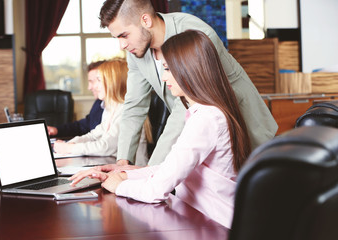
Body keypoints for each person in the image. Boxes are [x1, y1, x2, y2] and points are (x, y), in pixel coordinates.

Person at [70, 30, 251, 229]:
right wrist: (124, 174)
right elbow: (170, 169)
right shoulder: (205, 113)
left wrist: (119, 185)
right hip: (199, 218)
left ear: (187, 69)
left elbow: (156, 191)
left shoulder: (207, 119)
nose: (164, 78)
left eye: (167, 68)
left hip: (214, 226)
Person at [98, 0, 277, 167]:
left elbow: (184, 105)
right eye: (117, 38)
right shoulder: (136, 51)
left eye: (124, 35)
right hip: (201, 135)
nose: (122, 45)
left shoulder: (194, 34)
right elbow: (134, 105)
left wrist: (151, 170)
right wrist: (122, 163)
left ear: (145, 20)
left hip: (243, 129)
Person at [54, 59, 148, 166]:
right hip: (116, 167)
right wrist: (71, 143)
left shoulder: (126, 111)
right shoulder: (112, 109)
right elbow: (93, 135)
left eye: (99, 80)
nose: (94, 86)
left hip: (135, 173)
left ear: (113, 83)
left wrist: (70, 148)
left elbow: (105, 146)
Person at [47, 61, 105, 138]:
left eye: (92, 81)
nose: (89, 87)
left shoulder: (120, 110)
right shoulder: (99, 102)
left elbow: (103, 144)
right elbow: (84, 125)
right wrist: (57, 130)